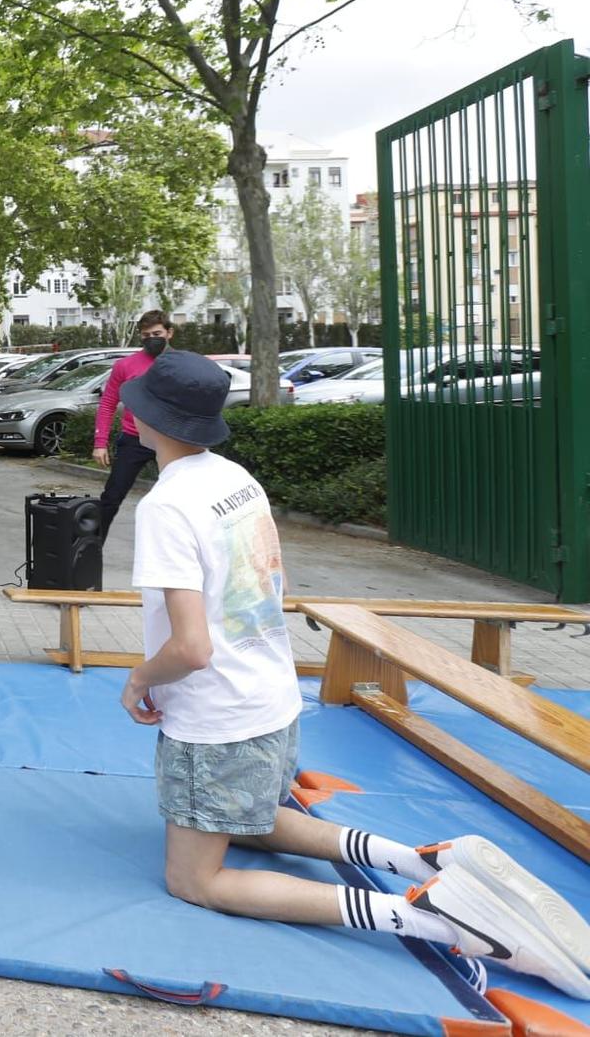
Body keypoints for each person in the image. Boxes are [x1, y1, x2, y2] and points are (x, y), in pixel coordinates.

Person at [117, 350, 590, 997]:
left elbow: (192, 645)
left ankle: (424, 915)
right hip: (272, 700)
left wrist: (141, 677)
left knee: (197, 879)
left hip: (217, 716)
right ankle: (419, 858)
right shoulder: (232, 479)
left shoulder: (166, 505)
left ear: (151, 417)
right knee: (249, 819)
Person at [93, 310, 174, 541]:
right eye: (146, 334)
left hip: (170, 442)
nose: (152, 338)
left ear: (169, 333)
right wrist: (100, 443)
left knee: (178, 501)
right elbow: (108, 403)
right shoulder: (125, 366)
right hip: (134, 440)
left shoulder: (181, 364)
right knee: (111, 497)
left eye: (157, 333)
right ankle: (88, 552)